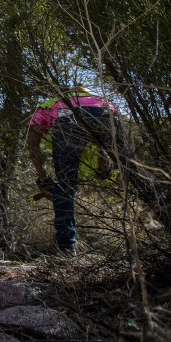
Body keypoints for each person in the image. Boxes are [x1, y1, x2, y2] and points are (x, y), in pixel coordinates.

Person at [26, 85, 121, 255]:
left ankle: (66, 249)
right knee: (133, 170)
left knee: (65, 187)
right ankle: (170, 218)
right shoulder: (104, 101)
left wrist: (44, 178)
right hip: (108, 114)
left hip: (68, 117)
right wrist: (104, 160)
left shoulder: (50, 104)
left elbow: (32, 144)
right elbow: (103, 139)